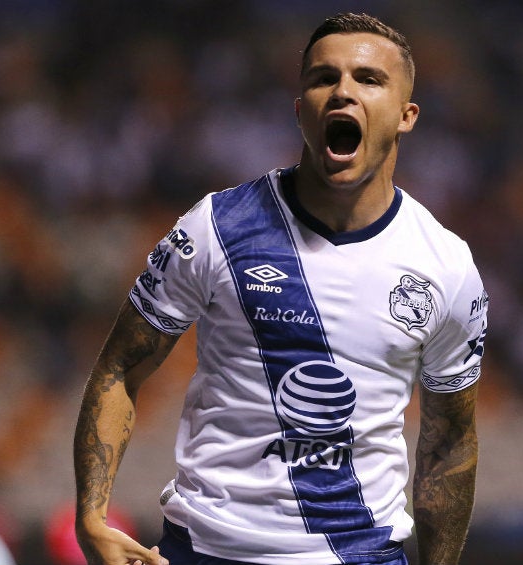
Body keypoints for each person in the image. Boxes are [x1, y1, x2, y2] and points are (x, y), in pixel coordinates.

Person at [73, 12, 488, 565]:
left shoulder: (446, 266)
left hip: (358, 554)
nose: (343, 91)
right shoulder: (215, 227)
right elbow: (121, 367)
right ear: (301, 111)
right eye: (323, 78)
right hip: (207, 551)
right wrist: (90, 517)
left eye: (368, 79)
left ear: (407, 115)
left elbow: (448, 443)